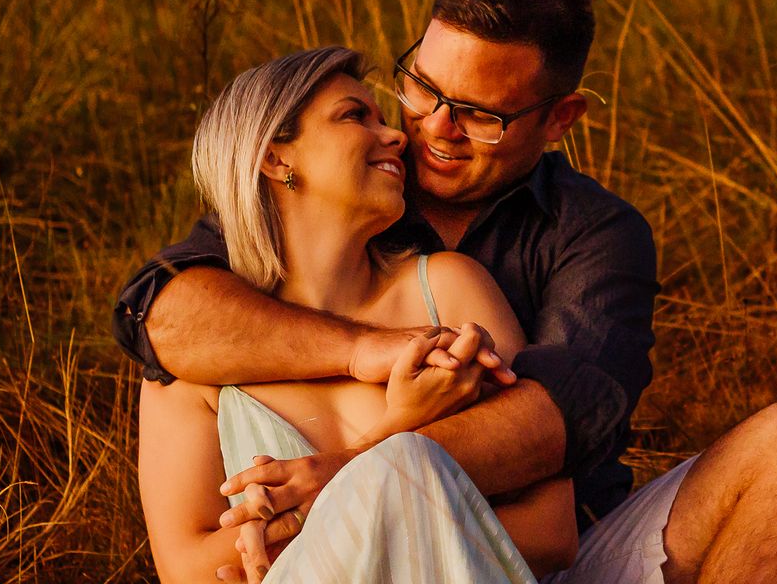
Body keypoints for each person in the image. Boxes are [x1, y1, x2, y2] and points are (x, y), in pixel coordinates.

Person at [116, 0, 777, 584]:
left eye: (480, 114)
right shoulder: (320, 211)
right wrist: (368, 353)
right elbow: (166, 314)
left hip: (567, 559)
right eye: (422, 89)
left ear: (558, 119)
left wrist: (351, 479)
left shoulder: (584, 238)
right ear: (276, 161)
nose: (426, 131)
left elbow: (562, 414)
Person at [136, 44, 578, 582]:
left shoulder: (447, 289)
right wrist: (401, 433)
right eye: (354, 116)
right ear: (275, 158)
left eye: (382, 118)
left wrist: (299, 529)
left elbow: (552, 532)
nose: (395, 136)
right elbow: (184, 570)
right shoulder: (197, 352)